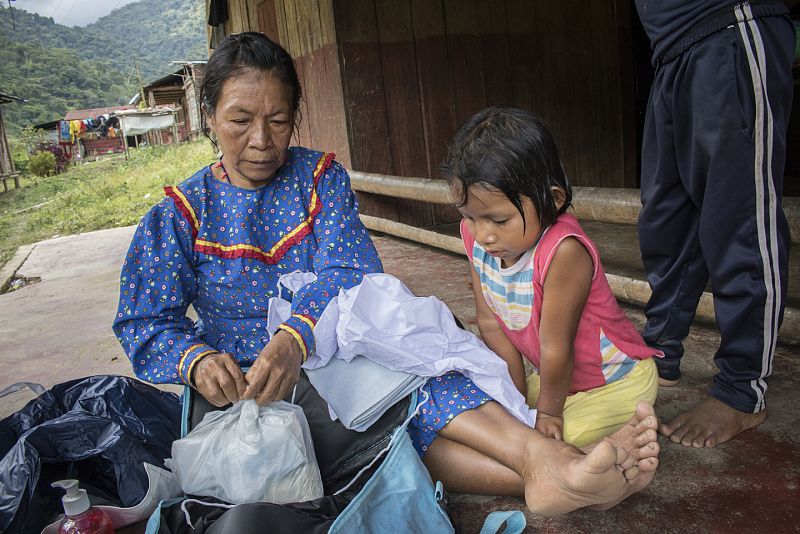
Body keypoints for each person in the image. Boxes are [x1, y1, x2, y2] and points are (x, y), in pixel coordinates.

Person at [114, 32, 659, 516]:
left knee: (417, 371)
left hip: (335, 348)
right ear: (209, 116)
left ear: (295, 117)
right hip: (251, 389)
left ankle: (546, 464)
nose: (261, 140)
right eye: (239, 121)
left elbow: (353, 271)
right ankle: (555, 469)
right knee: (387, 431)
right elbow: (143, 321)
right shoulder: (179, 214)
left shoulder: (317, 179)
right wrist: (196, 360)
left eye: (278, 121)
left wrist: (296, 338)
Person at [438, 106, 661, 449]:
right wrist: (513, 402)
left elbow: (555, 346)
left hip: (616, 383)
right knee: (493, 422)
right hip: (559, 381)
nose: (483, 235)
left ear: (553, 200)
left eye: (499, 220)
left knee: (542, 444)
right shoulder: (475, 239)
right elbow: (491, 325)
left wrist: (548, 415)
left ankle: (627, 439)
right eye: (469, 216)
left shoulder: (563, 251)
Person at [634, 1, 794, 448]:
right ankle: (661, 349)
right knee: (666, 220)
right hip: (669, 50)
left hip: (729, 26)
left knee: (739, 221)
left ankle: (742, 390)